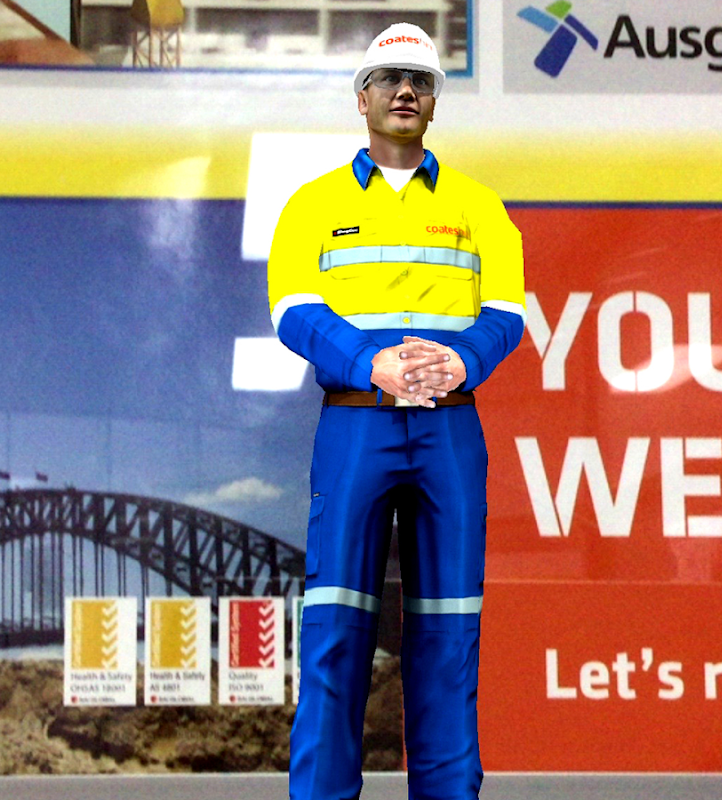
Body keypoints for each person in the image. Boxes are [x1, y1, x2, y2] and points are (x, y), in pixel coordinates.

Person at [267, 23, 525, 800]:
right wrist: (369, 362)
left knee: (449, 636)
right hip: (357, 422)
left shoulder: (481, 206)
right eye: (389, 79)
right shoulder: (312, 205)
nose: (405, 91)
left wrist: (464, 358)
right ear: (363, 98)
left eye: (420, 80)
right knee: (335, 632)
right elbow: (292, 310)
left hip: (449, 427)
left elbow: (506, 313)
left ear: (435, 101)